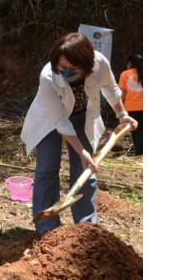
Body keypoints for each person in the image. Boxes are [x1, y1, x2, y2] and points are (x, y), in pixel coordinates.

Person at [21, 33, 138, 235]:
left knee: (86, 171)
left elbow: (110, 89)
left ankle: (86, 227)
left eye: (74, 68)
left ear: (87, 64)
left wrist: (122, 114)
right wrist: (81, 151)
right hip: (49, 120)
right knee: (47, 171)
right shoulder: (48, 76)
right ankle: (47, 230)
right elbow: (60, 122)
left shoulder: (99, 62)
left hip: (82, 118)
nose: (67, 72)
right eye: (62, 67)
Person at [119, 53, 143, 156]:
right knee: (142, 132)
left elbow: (121, 93)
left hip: (130, 108)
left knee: (134, 132)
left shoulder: (125, 74)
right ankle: (140, 155)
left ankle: (138, 154)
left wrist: (119, 109)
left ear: (129, 63)